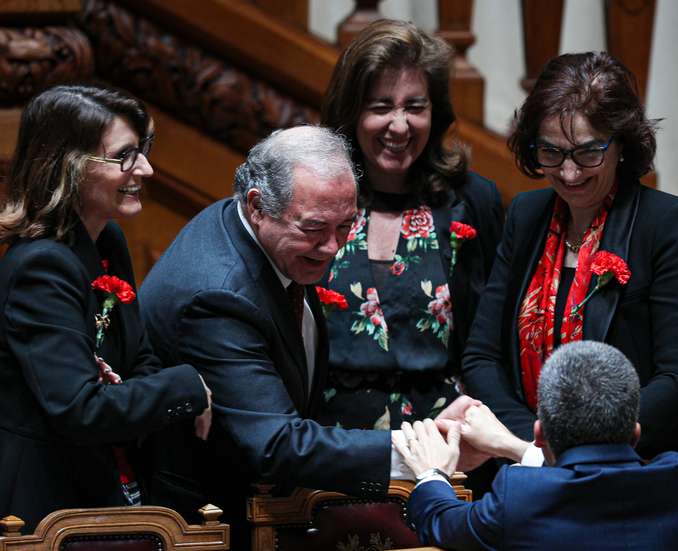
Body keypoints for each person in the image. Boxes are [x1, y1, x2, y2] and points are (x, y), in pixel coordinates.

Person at [138, 125, 478, 549]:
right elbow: (276, 443)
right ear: (257, 205)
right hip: (212, 520)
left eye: (347, 225)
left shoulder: (250, 228)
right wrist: (419, 448)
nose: (333, 246)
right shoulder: (219, 293)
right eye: (315, 228)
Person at [460, 51, 678, 517]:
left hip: (645, 474)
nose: (568, 173)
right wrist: (530, 444)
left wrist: (582, 447)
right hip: (532, 470)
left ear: (623, 143)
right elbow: (482, 355)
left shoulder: (669, 224)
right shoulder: (527, 216)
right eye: (550, 151)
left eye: (588, 151)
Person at [0, 84, 212, 549]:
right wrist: (186, 386)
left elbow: (140, 358)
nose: (146, 169)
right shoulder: (40, 266)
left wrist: (156, 385)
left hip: (101, 491)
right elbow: (80, 409)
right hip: (39, 510)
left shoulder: (106, 242)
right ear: (69, 167)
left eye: (144, 150)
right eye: (125, 155)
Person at [316, 19, 503, 430]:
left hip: (450, 442)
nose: (399, 126)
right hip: (334, 448)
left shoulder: (471, 200)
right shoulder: (318, 197)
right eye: (381, 106)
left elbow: (491, 340)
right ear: (352, 112)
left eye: (414, 107)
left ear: (435, 114)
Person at [397, 341, 678, 550]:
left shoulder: (518, 497)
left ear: (539, 434)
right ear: (635, 434)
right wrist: (509, 445)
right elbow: (591, 479)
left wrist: (431, 474)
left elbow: (440, 521)